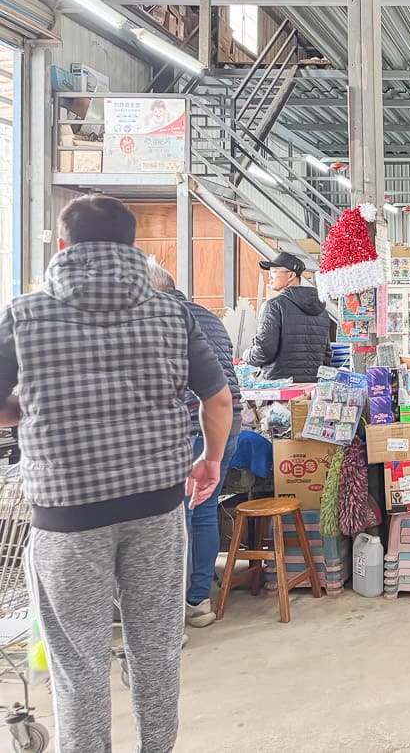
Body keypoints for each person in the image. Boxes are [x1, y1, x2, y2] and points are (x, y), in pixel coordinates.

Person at [0, 194, 233, 753]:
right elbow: (218, 399)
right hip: (155, 505)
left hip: (67, 511)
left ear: (62, 244)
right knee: (156, 647)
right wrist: (210, 460)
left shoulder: (24, 315)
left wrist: (30, 410)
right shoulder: (172, 312)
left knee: (76, 659)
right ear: (135, 246)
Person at [146, 257, 241, 629]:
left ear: (153, 289)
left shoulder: (158, 317)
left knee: (177, 521)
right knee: (204, 512)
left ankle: (167, 617)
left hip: (187, 426)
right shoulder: (208, 315)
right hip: (228, 424)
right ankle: (198, 601)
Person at [245, 251, 332, 383]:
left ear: (291, 275)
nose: (269, 277)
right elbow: (326, 355)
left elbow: (264, 352)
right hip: (311, 389)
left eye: (274, 271)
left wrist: (247, 355)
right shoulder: (321, 310)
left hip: (279, 388)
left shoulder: (274, 306)